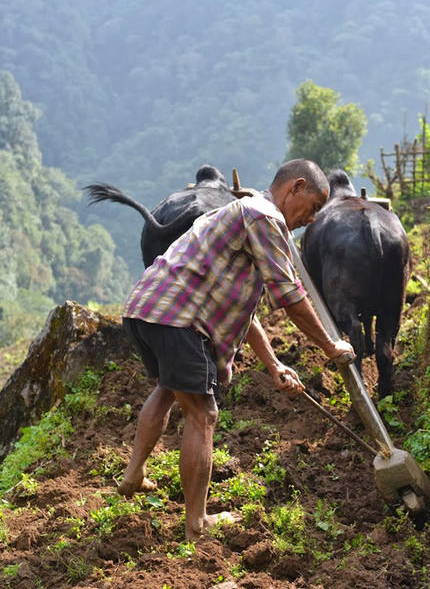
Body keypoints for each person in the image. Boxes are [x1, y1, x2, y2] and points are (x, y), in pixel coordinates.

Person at [117, 158, 355, 540]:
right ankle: (196, 524)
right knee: (203, 414)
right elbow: (289, 296)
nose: (311, 219)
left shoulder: (244, 213)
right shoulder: (265, 217)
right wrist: (330, 345)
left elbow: (243, 309)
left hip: (147, 308)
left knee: (167, 389)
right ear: (295, 187)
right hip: (177, 317)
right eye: (311, 207)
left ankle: (133, 476)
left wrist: (274, 363)